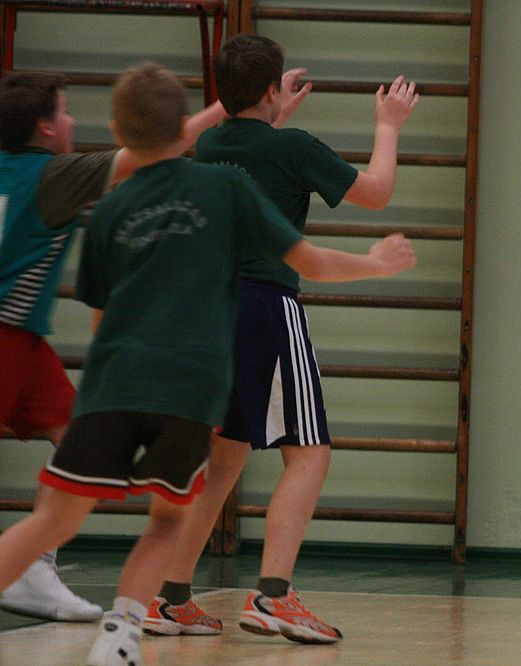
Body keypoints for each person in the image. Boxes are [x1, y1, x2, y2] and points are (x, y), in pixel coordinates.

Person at [0, 62, 414, 666]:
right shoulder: (230, 185)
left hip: (117, 377)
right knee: (279, 466)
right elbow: (333, 233)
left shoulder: (121, 202)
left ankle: (165, 600)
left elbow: (100, 314)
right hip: (206, 365)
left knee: (74, 513)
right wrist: (377, 255)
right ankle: (242, 601)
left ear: (118, 130)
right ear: (183, 129)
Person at [141, 34, 419, 644]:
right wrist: (388, 124)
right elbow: (376, 192)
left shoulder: (209, 145)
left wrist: (270, 113)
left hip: (209, 312)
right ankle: (273, 595)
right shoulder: (292, 147)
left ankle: (171, 598)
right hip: (266, 306)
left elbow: (250, 152)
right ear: (272, 89)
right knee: (309, 453)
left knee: (225, 458)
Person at [0, 71, 225, 623]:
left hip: (24, 340)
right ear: (44, 127)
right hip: (5, 335)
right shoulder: (53, 175)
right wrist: (229, 106)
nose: (72, 120)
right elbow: (155, 148)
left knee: (74, 437)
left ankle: (33, 567)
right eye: (64, 111)